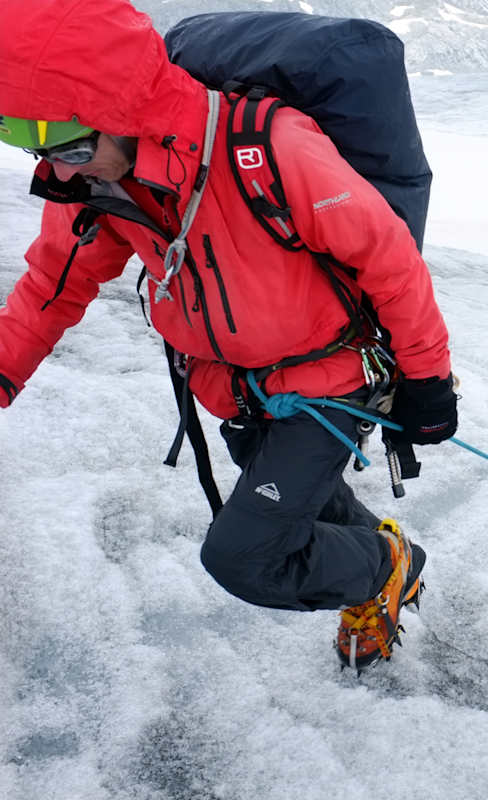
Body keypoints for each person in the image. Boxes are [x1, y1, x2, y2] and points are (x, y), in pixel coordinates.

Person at [0, 0, 457, 672]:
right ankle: (377, 565)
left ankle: (390, 565)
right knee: (298, 501)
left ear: (122, 111)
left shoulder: (267, 146)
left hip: (327, 381)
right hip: (234, 387)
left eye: (70, 146)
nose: (60, 171)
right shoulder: (105, 183)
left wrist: (429, 381)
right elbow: (51, 287)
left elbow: (388, 259)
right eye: (33, 147)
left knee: (247, 556)